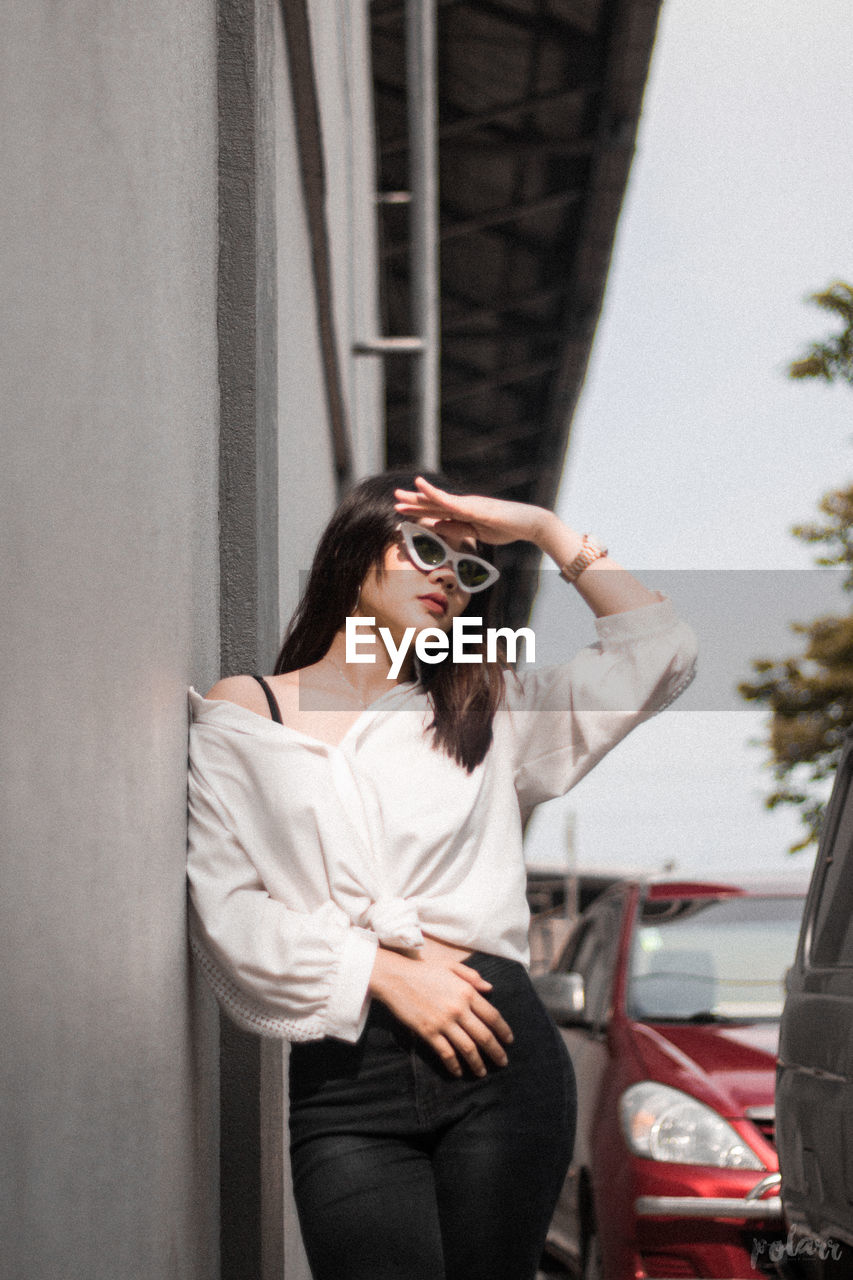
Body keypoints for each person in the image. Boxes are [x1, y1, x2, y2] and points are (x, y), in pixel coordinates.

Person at [187, 471, 697, 1280]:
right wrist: (383, 972)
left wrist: (540, 529)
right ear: (352, 550)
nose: (445, 578)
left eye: (467, 568)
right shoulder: (248, 713)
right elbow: (228, 910)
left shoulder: (486, 706)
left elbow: (661, 652)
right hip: (345, 1069)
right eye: (424, 548)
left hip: (499, 1054)